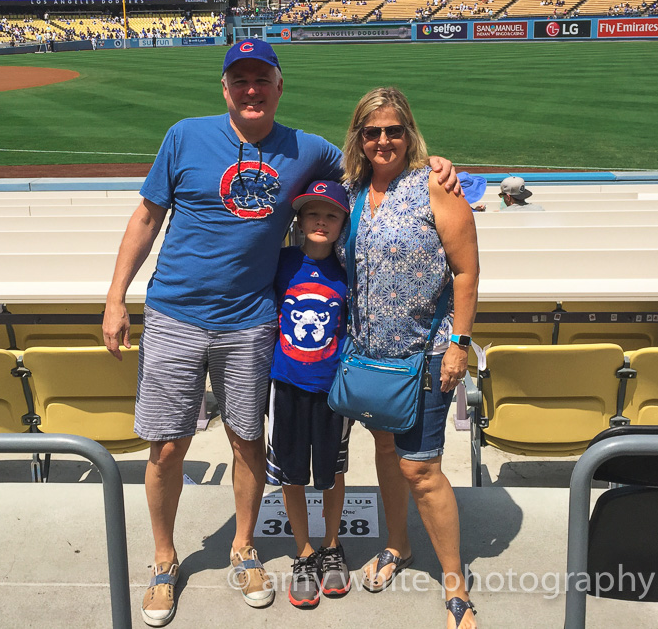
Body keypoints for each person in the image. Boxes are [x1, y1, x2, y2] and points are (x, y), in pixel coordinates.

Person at [101, 40, 459, 627]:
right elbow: (146, 217)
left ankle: (244, 549)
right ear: (225, 87)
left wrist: (432, 165)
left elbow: (373, 162)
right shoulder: (184, 137)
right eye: (240, 80)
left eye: (261, 79)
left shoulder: (306, 148)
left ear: (278, 86)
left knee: (248, 441)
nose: (251, 90)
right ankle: (164, 559)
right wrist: (117, 297)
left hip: (250, 320)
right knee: (166, 447)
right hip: (174, 314)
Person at [339, 87, 479, 629]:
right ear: (359, 137)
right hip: (370, 355)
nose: (383, 140)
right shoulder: (350, 190)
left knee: (421, 468)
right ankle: (398, 544)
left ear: (409, 133)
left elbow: (466, 271)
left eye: (393, 130)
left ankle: (455, 584)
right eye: (372, 131)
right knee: (385, 449)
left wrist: (459, 344)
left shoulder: (434, 186)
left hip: (426, 353)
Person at [265, 180, 351, 609]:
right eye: (312, 213)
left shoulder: (349, 270)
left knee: (333, 471)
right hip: (286, 386)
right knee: (291, 473)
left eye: (331, 215)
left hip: (332, 389)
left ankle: (332, 545)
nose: (321, 221)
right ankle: (303, 551)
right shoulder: (281, 262)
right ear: (298, 220)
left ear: (343, 223)